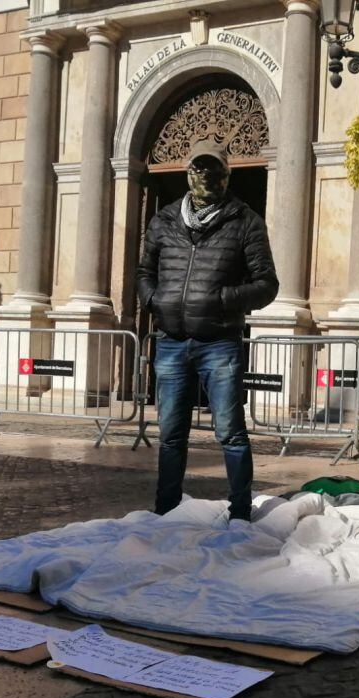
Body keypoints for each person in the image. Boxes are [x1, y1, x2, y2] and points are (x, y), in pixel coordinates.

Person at [136, 139, 279, 519]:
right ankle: (165, 510)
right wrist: (154, 301)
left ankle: (240, 512)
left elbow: (267, 284)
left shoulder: (245, 221)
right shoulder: (164, 220)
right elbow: (144, 271)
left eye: (213, 169)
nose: (205, 176)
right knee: (170, 436)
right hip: (171, 341)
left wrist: (220, 298)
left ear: (226, 175)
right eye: (199, 168)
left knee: (231, 433)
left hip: (219, 343)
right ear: (187, 173)